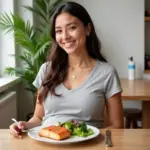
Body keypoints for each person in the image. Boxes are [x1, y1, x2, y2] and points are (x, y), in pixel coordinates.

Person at [9, 1, 123, 138]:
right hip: (48, 143)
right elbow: (38, 118)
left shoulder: (106, 73)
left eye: (72, 28)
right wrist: (24, 125)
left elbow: (117, 125)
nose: (65, 36)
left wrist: (90, 137)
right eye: (59, 31)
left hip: (87, 145)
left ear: (88, 29)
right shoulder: (46, 70)